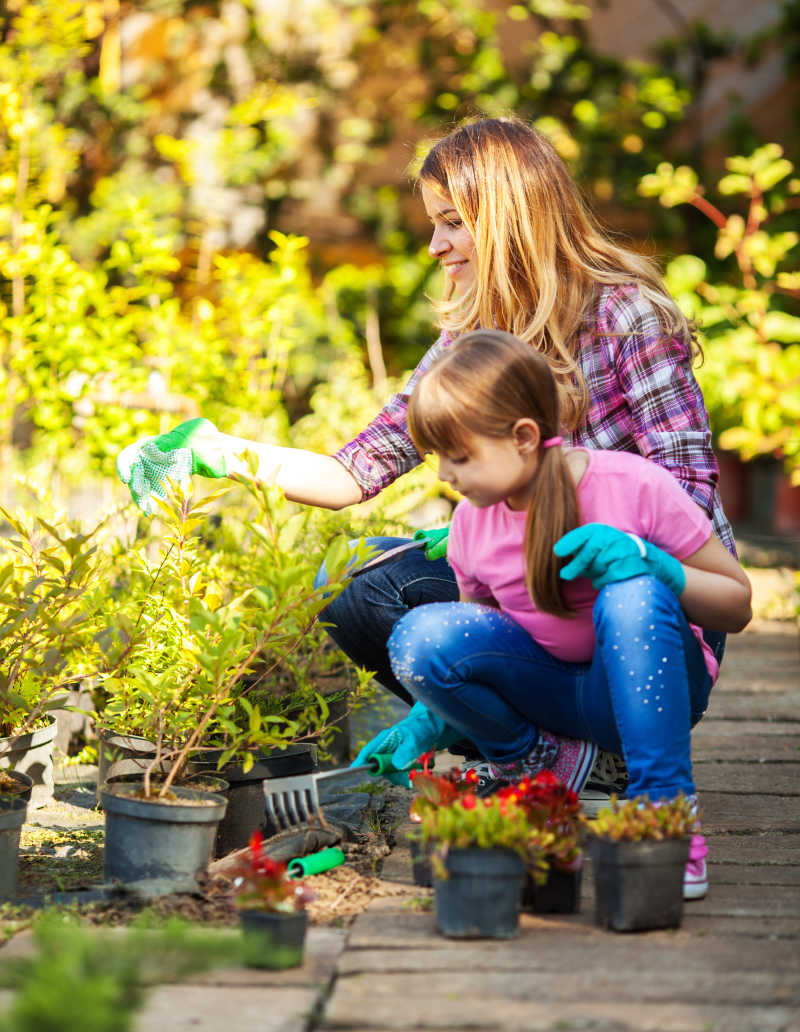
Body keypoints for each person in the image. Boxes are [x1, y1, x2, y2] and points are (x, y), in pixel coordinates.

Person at [116, 116, 737, 804]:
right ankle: (548, 758)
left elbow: (690, 497)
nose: (437, 245)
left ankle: (628, 750)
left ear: (507, 216)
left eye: (453, 223)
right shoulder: (471, 337)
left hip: (651, 598)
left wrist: (545, 515)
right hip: (545, 600)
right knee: (357, 580)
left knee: (620, 596)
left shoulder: (626, 316)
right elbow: (354, 471)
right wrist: (219, 452)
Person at [352, 329, 752, 900]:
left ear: (522, 437)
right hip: (552, 696)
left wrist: (652, 564)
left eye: (458, 456)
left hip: (648, 695)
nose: (442, 473)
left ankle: (666, 818)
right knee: (422, 635)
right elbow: (475, 642)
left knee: (631, 596)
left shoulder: (630, 484)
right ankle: (542, 768)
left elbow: (737, 605)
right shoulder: (472, 524)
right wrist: (427, 721)